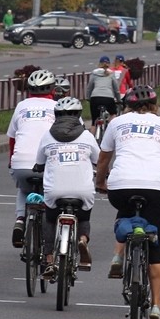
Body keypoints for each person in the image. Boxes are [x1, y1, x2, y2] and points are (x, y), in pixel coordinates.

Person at [95, 85, 160, 319]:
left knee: (125, 211)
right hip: (157, 188)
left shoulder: (117, 123)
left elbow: (103, 158)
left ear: (127, 104)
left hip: (121, 186)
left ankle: (118, 255)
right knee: (156, 244)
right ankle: (156, 306)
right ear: (155, 105)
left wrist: (101, 182)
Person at [34, 97, 100, 278]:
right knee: (84, 215)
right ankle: (82, 239)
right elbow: (99, 161)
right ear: (79, 115)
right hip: (82, 191)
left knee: (49, 219)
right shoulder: (87, 136)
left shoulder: (47, 136)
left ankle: (48, 259)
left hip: (55, 191)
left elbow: (39, 163)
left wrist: (40, 167)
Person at [7, 69, 57, 247]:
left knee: (23, 188)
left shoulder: (22, 106)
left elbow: (12, 139)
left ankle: (20, 219)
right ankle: (49, 237)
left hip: (20, 162)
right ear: (52, 89)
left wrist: (12, 161)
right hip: (48, 163)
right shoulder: (58, 108)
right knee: (52, 193)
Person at [86, 56, 120, 137]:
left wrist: (88, 97)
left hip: (95, 97)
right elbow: (116, 89)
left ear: (99, 64)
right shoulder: (111, 73)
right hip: (108, 98)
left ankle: (91, 140)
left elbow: (89, 87)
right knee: (113, 114)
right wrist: (118, 99)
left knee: (94, 121)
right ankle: (109, 129)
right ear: (108, 64)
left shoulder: (94, 73)